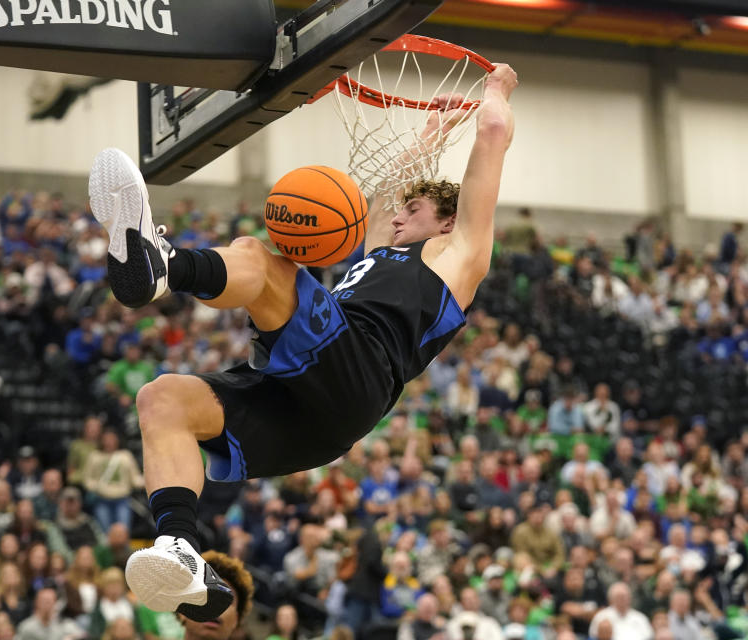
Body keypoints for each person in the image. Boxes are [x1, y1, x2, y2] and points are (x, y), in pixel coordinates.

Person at [88, 62, 519, 623]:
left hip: (359, 371)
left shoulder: (460, 254)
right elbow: (394, 182)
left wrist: (495, 88)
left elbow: (491, 136)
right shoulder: (379, 252)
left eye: (413, 211)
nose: (396, 217)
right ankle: (180, 550)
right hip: (310, 408)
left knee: (265, 262)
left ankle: (164, 266)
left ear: (447, 222)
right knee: (163, 398)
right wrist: (433, 127)